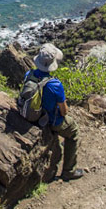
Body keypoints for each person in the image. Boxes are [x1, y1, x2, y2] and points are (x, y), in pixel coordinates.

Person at [24, 43, 85, 181]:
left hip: (34, 117)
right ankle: (69, 171)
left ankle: (59, 142)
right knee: (74, 131)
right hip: (51, 122)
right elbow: (64, 112)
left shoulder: (29, 74)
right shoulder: (55, 85)